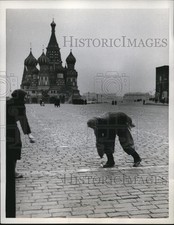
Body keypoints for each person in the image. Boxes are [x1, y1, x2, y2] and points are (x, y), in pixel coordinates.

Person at [6, 89, 35, 217]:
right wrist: (29, 134)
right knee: (15, 148)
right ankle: (12, 171)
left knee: (7, 151)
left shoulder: (6, 102)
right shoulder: (20, 104)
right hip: (12, 130)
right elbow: (23, 120)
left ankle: (9, 171)